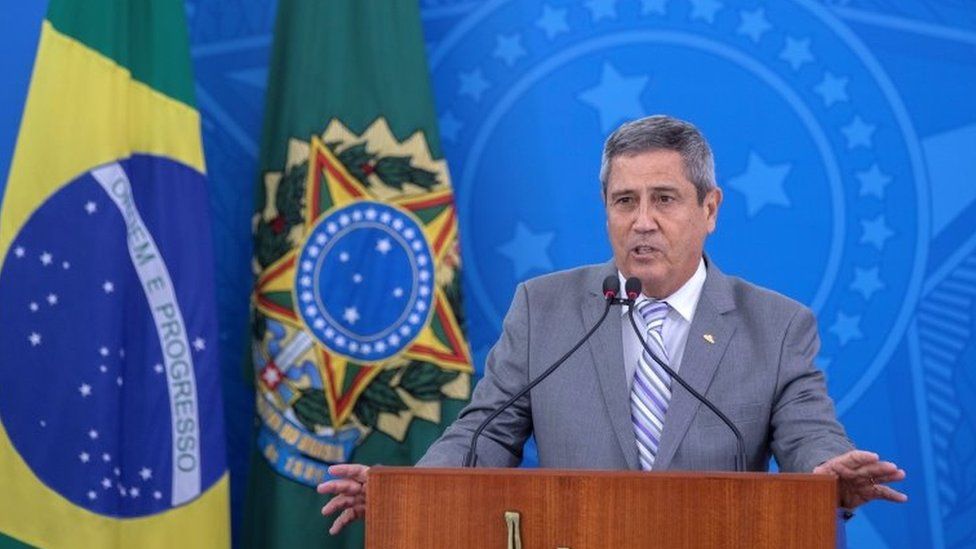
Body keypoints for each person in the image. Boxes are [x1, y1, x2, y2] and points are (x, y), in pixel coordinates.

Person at [318, 115, 907, 535]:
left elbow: (810, 435)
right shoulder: (544, 308)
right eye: (625, 201)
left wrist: (827, 472)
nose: (642, 222)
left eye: (665, 199)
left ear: (710, 209)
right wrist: (410, 490)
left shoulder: (775, 326)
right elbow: (483, 436)